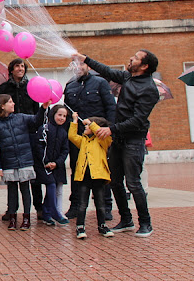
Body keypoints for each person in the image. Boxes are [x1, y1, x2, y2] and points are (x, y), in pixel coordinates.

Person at [73, 50, 159, 238]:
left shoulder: (149, 89)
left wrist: (111, 129)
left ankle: (145, 223)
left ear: (144, 66)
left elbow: (138, 119)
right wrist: (85, 59)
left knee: (133, 183)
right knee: (115, 181)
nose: (131, 58)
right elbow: (107, 71)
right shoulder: (128, 77)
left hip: (134, 140)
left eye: (136, 58)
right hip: (118, 138)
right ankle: (126, 220)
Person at [64, 60, 116, 220]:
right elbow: (66, 112)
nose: (79, 68)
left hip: (99, 136)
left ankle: (106, 207)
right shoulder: (70, 86)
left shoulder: (100, 83)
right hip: (79, 138)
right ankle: (75, 206)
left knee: (100, 169)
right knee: (77, 169)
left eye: (82, 65)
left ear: (88, 66)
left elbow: (111, 108)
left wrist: (111, 130)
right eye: (76, 66)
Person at [0, 94, 48, 231]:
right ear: (2, 105)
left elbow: (36, 121)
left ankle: (26, 218)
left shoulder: (21, 117)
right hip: (8, 161)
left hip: (24, 159)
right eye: (10, 102)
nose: (13, 104)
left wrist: (43, 108)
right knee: (12, 191)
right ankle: (12, 218)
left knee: (25, 190)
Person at [0, 59, 41, 221]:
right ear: (11, 70)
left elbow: (37, 110)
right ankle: (12, 210)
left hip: (28, 130)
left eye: (22, 66)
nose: (20, 68)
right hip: (8, 130)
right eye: (17, 66)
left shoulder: (31, 86)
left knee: (31, 174)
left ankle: (39, 207)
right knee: (13, 181)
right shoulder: (4, 87)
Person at [68, 113, 114, 239]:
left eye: (88, 127)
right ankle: (80, 226)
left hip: (98, 177)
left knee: (100, 203)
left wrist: (90, 123)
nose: (85, 128)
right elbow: (72, 136)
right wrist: (75, 121)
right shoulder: (83, 141)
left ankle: (102, 225)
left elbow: (99, 132)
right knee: (82, 203)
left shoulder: (103, 140)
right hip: (84, 177)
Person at [33, 105, 70, 226]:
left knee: (54, 187)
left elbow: (65, 150)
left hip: (56, 165)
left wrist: (57, 163)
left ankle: (47, 213)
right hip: (43, 165)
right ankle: (54, 211)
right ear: (53, 114)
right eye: (59, 115)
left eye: (64, 116)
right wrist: (47, 162)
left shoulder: (64, 132)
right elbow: (39, 147)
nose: (62, 118)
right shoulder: (44, 128)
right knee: (51, 185)